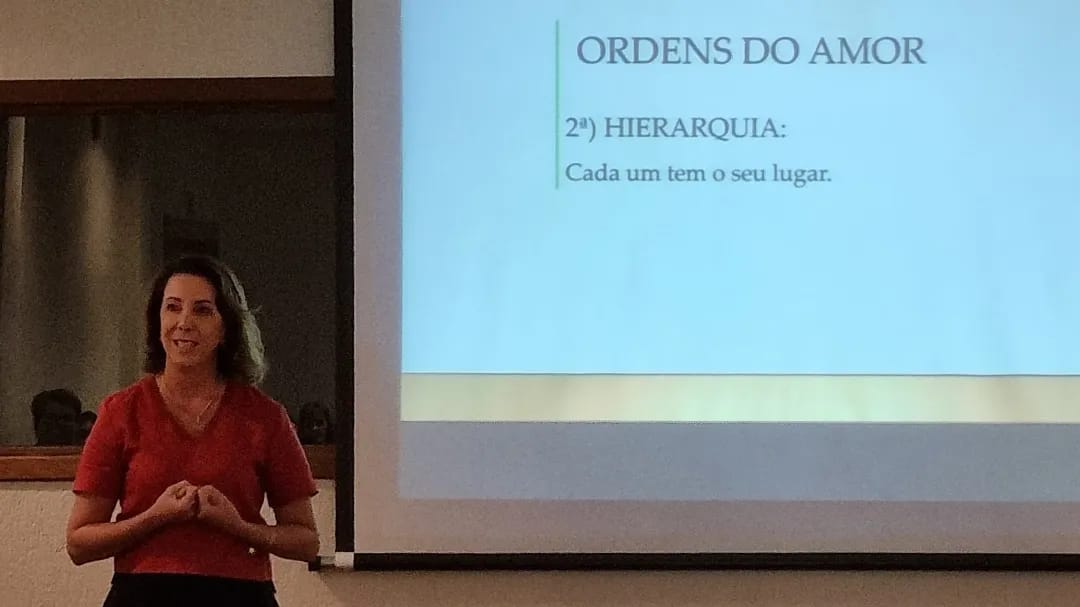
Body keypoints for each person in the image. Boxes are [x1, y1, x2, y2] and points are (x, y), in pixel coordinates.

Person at [67, 255, 319, 606]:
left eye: (202, 310)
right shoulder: (120, 412)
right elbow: (79, 544)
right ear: (157, 320)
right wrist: (156, 517)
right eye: (172, 308)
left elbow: (306, 542)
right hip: (141, 595)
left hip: (241, 595)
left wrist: (238, 526)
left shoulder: (265, 417)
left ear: (226, 326)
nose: (184, 323)